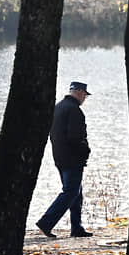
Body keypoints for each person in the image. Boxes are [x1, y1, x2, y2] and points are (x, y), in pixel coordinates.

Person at [36, 81, 94, 238]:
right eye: (84, 95)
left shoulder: (58, 107)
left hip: (60, 157)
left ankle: (77, 227)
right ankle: (46, 222)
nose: (84, 99)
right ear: (80, 93)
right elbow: (76, 137)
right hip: (72, 159)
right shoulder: (74, 111)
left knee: (76, 192)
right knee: (70, 191)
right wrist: (86, 150)